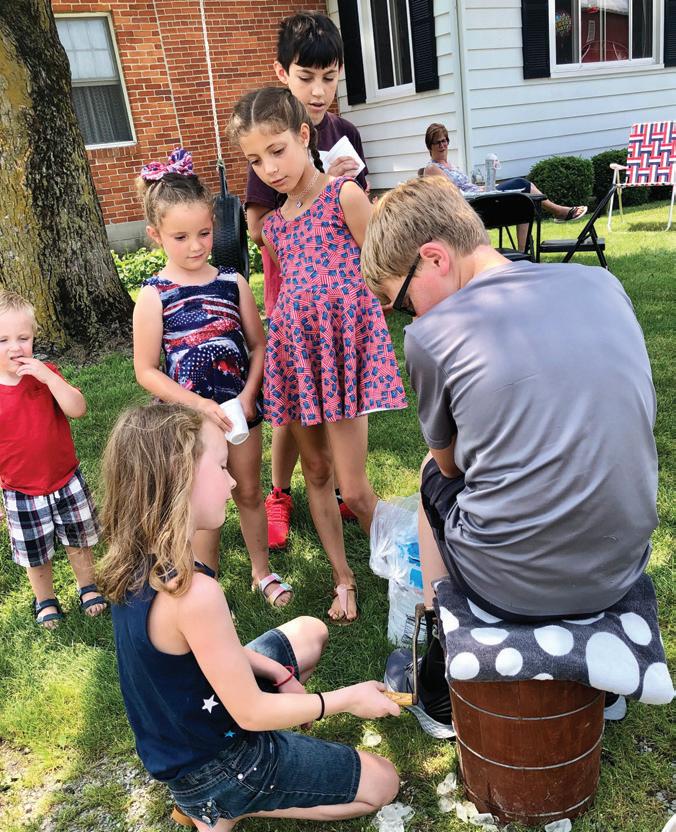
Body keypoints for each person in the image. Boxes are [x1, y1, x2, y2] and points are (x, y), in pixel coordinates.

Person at [361, 176, 658, 734]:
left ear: (434, 258)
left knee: (428, 475)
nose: (410, 317)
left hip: (511, 583)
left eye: (401, 303)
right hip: (621, 563)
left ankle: (441, 659)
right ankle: (597, 671)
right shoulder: (600, 283)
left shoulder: (432, 335)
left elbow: (449, 467)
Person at [98, 402, 400, 831]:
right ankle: (224, 806)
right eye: (222, 468)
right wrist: (347, 699)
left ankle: (209, 801)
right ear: (180, 477)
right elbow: (251, 713)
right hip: (218, 764)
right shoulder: (194, 594)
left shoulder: (137, 561)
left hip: (181, 736)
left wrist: (277, 672)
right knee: (383, 782)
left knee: (310, 632)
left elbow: (199, 656)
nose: (233, 481)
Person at [229, 87, 407, 624]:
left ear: (304, 135)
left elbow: (384, 270)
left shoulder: (345, 196)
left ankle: (407, 568)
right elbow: (289, 287)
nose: (269, 168)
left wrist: (362, 315)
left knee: (354, 486)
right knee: (316, 470)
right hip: (296, 358)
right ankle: (343, 577)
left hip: (341, 353)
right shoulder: (273, 227)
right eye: (255, 160)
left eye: (277, 150)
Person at [132, 149, 291, 608]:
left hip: (239, 412)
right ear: (156, 235)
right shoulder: (153, 295)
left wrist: (249, 394)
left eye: (203, 233)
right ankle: (207, 581)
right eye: (180, 237)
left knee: (248, 491)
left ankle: (261, 570)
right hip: (187, 421)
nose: (196, 246)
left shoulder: (233, 282)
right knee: (202, 503)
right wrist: (198, 405)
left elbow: (258, 345)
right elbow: (146, 370)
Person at [246, 12, 370, 550]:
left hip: (339, 292)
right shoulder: (269, 136)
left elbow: (361, 211)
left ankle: (343, 487)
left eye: (329, 77)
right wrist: (300, 212)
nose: (318, 91)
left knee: (337, 392)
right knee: (292, 405)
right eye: (305, 77)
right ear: (283, 73)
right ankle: (280, 491)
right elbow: (257, 224)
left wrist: (338, 191)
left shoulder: (345, 133)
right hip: (292, 290)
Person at [0, 290, 105, 628]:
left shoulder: (47, 375)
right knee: (35, 552)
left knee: (79, 539)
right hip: (21, 490)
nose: (15, 348)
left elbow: (78, 409)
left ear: (34, 338)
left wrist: (48, 377)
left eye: (23, 338)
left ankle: (88, 587)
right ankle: (45, 599)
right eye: (3, 340)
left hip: (65, 478)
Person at [423, 123, 588, 250]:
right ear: (430, 146)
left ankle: (523, 253)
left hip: (480, 197)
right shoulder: (432, 169)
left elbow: (467, 187)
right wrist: (480, 191)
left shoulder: (451, 165)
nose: (442, 145)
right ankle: (559, 211)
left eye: (444, 141)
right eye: (438, 142)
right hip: (473, 208)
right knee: (522, 184)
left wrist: (484, 188)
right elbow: (453, 192)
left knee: (523, 202)